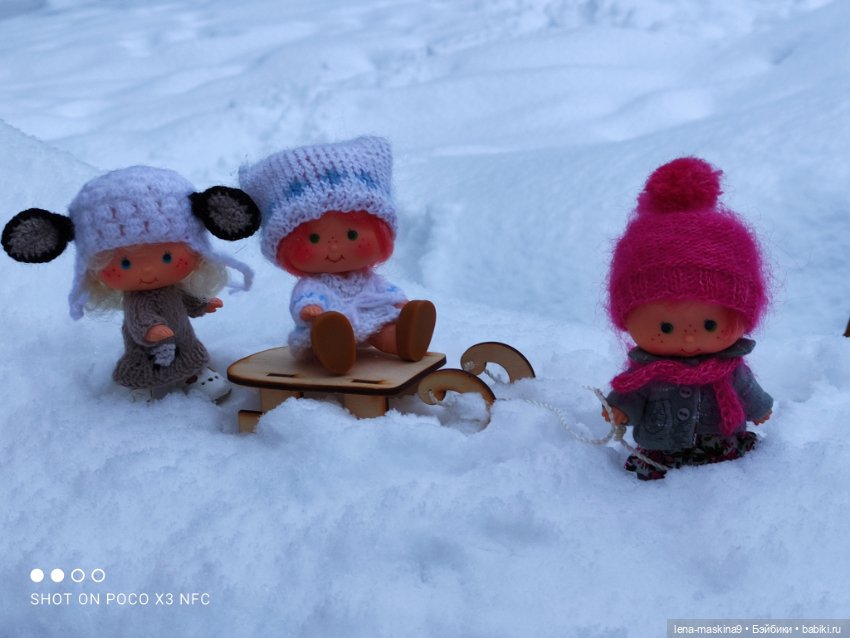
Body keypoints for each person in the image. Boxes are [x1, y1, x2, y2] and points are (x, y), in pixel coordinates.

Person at [2, 166, 260, 401]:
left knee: (189, 353)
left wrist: (202, 304)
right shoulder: (137, 299)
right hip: (148, 348)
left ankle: (193, 374)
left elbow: (183, 301)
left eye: (167, 257)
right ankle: (145, 386)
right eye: (125, 263)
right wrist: (152, 329)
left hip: (184, 341)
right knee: (149, 365)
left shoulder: (172, 287)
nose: (148, 270)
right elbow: (139, 320)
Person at [603, 157, 773, 480]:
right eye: (665, 328)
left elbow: (747, 390)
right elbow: (632, 393)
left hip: (723, 449)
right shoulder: (647, 374)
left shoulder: (730, 370)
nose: (690, 338)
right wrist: (620, 410)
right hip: (661, 456)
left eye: (710, 325)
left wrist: (760, 408)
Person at [239, 136, 435, 375]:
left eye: (352, 235)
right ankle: (334, 350)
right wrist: (309, 309)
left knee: (384, 329)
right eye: (314, 239)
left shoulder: (366, 280)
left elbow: (382, 289)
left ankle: (404, 340)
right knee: (322, 334)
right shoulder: (313, 284)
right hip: (326, 321)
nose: (334, 248)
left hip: (367, 315)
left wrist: (398, 302)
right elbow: (306, 298)